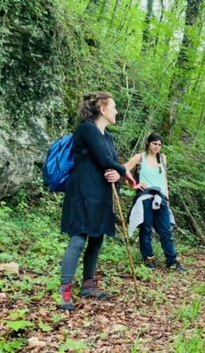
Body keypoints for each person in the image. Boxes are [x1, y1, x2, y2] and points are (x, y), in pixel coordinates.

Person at [59, 92, 135, 310]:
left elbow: (110, 162)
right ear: (102, 109)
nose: (117, 111)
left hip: (101, 193)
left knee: (97, 236)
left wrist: (115, 173)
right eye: (114, 106)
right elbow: (104, 159)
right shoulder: (87, 129)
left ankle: (89, 285)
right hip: (83, 191)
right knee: (79, 237)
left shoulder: (107, 135)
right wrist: (124, 172)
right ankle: (65, 290)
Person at [124, 133, 187, 272]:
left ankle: (172, 260)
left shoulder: (163, 158)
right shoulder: (139, 157)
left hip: (161, 198)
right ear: (148, 143)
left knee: (166, 230)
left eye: (159, 144)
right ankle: (148, 258)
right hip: (145, 197)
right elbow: (124, 169)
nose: (157, 147)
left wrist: (167, 197)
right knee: (146, 229)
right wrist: (134, 184)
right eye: (154, 144)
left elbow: (164, 179)